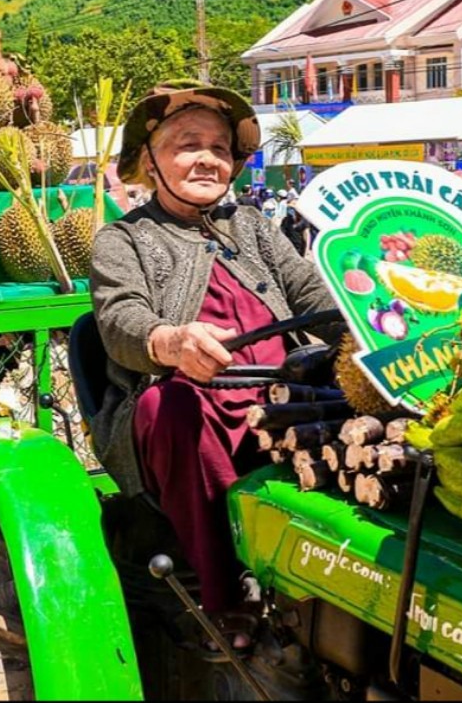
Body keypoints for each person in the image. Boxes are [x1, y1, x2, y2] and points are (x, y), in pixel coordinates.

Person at [90, 79, 341, 651]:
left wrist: (367, 319)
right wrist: (170, 341)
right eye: (187, 144)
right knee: (168, 402)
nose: (207, 158)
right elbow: (120, 317)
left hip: (282, 395)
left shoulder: (253, 226)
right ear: (150, 162)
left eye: (220, 148)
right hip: (187, 404)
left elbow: (310, 295)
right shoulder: (123, 238)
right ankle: (228, 596)